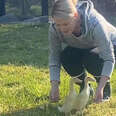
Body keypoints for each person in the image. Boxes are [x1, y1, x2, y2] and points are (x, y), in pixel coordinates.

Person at [48, 0, 116, 103]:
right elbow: (54, 56)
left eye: (65, 24)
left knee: (91, 58)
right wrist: (54, 86)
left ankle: (104, 87)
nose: (61, 29)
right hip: (85, 45)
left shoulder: (95, 24)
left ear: (75, 15)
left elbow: (109, 58)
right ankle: (85, 87)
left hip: (110, 45)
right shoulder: (54, 28)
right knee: (67, 56)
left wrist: (101, 87)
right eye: (58, 25)